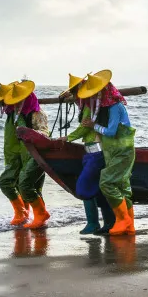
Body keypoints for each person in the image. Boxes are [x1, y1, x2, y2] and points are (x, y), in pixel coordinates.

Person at [77, 70, 136, 235]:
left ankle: (123, 220)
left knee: (107, 183)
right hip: (111, 152)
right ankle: (129, 224)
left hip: (122, 151)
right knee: (122, 187)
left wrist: (93, 126)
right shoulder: (104, 108)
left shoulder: (115, 107)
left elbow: (111, 131)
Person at [58, 73, 117, 234]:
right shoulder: (87, 102)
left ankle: (93, 223)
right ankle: (109, 223)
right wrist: (66, 95)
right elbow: (70, 98)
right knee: (100, 190)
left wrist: (68, 137)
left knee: (83, 187)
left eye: (75, 91)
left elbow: (85, 127)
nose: (75, 95)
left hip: (96, 152)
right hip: (94, 151)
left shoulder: (89, 105)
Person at [0, 80, 51, 228]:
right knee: (9, 183)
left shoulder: (36, 113)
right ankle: (22, 213)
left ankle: (40, 215)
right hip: (17, 155)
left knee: (29, 184)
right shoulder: (13, 114)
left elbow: (44, 133)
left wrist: (31, 133)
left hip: (36, 155)